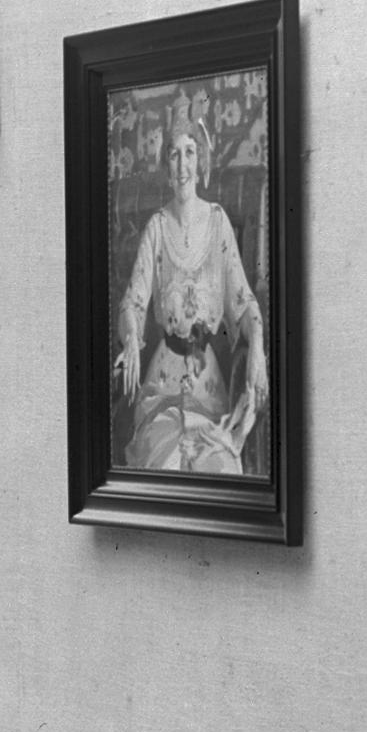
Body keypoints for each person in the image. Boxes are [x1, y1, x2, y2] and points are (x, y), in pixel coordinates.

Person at [112, 117, 266, 474]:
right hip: (162, 390)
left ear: (201, 162)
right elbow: (132, 302)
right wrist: (132, 337)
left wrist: (257, 347)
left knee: (219, 469)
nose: (182, 164)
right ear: (167, 166)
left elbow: (244, 303)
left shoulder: (218, 222)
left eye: (190, 152)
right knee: (164, 464)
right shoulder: (156, 227)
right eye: (174, 154)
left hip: (207, 391)